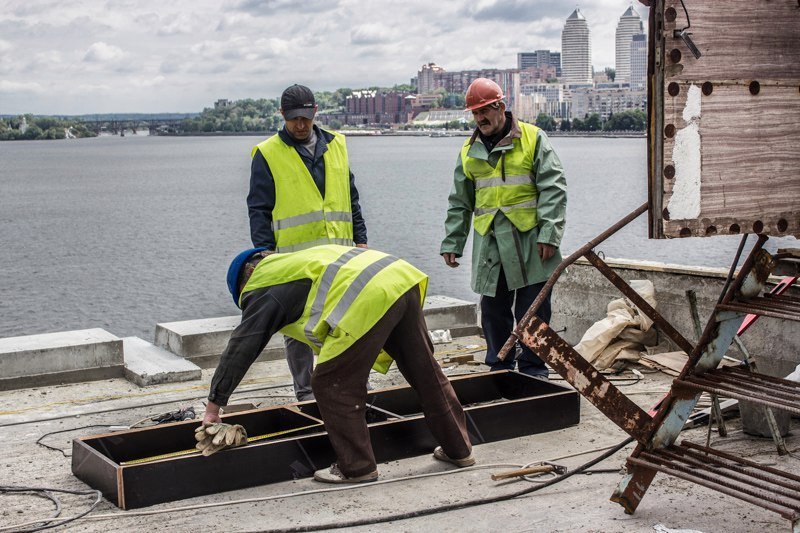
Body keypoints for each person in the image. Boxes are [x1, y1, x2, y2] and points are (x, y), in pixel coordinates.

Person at [199, 245, 474, 483]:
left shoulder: (263, 286)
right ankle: (459, 449)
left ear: (244, 282)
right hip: (400, 278)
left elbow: (241, 347)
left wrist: (214, 407)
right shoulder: (297, 263)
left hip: (369, 296)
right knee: (425, 372)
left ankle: (357, 468)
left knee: (331, 384)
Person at [247, 84, 368, 401]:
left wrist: (362, 240)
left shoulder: (337, 145)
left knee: (343, 321)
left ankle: (342, 385)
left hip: (340, 254)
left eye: (305, 117)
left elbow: (351, 198)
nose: (300, 125)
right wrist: (264, 254)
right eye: (293, 119)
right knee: (298, 327)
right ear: (282, 116)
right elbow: (258, 209)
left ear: (315, 112)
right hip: (295, 258)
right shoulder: (267, 154)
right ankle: (306, 393)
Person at [440, 78, 567, 378]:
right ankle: (500, 365)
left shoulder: (533, 139)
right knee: (494, 311)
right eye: (475, 113)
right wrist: (452, 242)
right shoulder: (468, 152)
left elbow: (554, 188)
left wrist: (550, 232)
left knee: (533, 310)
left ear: (500, 106)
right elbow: (460, 201)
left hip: (531, 242)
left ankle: (534, 368)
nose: (480, 118)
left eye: (485, 110)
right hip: (491, 245)